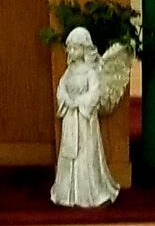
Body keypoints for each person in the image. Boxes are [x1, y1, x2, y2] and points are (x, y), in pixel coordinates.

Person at [50, 27, 127, 210]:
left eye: (75, 48)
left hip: (84, 121)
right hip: (71, 119)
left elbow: (95, 93)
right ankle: (67, 192)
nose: (71, 51)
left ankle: (89, 191)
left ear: (84, 48)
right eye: (69, 48)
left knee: (85, 152)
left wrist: (78, 102)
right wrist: (67, 99)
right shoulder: (69, 72)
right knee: (69, 152)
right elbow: (61, 89)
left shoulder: (90, 72)